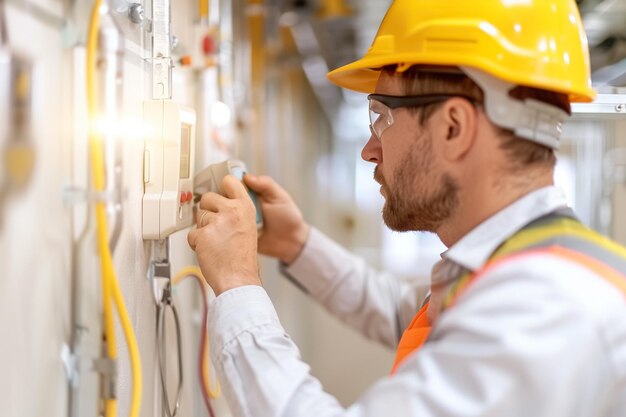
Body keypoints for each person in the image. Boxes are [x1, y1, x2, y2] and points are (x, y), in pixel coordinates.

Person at [187, 0, 626, 416]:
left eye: (381, 116)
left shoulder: (545, 306)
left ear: (454, 127)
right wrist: (297, 244)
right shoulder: (522, 267)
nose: (369, 150)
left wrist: (237, 285)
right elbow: (401, 310)